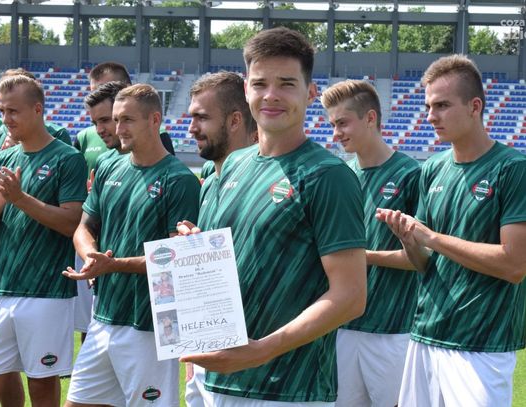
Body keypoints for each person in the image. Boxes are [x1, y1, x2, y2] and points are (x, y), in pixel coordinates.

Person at [178, 27, 367, 407]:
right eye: (261, 83)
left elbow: (350, 297)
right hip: (214, 378)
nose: (271, 95)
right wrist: (197, 250)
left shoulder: (328, 176)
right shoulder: (232, 165)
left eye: (287, 84)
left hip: (287, 390)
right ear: (246, 89)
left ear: (310, 93)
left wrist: (260, 351)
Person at [374, 54, 526, 407]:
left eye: (442, 105)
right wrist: (410, 241)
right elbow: (424, 263)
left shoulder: (513, 169)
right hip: (425, 334)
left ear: (475, 107)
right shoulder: (432, 169)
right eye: (428, 106)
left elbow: (515, 265)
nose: (430, 116)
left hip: (482, 344)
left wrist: (430, 237)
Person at [62, 83, 200, 407]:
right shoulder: (108, 166)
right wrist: (91, 256)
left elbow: (176, 258)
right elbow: (84, 227)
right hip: (104, 315)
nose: (118, 128)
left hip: (150, 324)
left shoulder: (179, 180)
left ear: (155, 120)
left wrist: (112, 265)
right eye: (115, 119)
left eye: (127, 120)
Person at [0, 74, 87, 406]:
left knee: (42, 386)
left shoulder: (67, 158)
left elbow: (72, 222)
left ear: (38, 109)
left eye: (13, 111)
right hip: (1, 289)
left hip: (47, 292)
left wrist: (19, 199)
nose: (6, 119)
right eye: (2, 111)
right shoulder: (2, 159)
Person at [321, 79, 420, 407]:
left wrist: (364, 256)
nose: (336, 133)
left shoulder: (410, 174)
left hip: (393, 328)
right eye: (332, 125)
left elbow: (424, 258)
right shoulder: (340, 176)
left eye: (342, 123)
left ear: (370, 118)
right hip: (342, 325)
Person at [184, 71, 257, 407]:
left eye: (202, 117)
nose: (191, 128)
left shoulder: (271, 180)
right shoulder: (210, 180)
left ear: (235, 120)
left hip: (255, 361)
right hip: (208, 350)